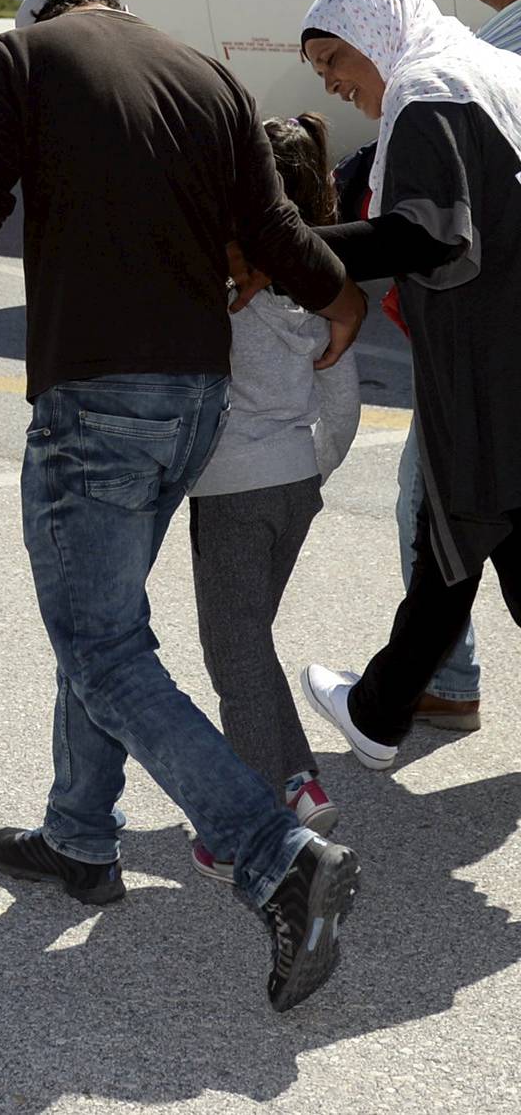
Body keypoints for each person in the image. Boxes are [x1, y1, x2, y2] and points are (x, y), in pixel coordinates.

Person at [0, 0, 368, 1014]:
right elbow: (276, 228)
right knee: (102, 621)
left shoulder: (24, 58)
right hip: (195, 397)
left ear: (47, 15)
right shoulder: (208, 77)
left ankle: (276, 852)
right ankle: (79, 834)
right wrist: (341, 294)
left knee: (100, 642)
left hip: (98, 393)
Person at [292, 0, 521, 779]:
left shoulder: (429, 91)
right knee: (466, 536)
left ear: (376, 29)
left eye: (334, 58)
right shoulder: (492, 73)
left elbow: (429, 234)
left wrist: (291, 249)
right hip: (503, 363)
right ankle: (382, 707)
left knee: (458, 528)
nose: (331, 82)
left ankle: (380, 710)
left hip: (488, 370)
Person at [185, 112, 359, 882]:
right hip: (293, 484)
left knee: (233, 649)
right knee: (248, 637)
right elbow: (344, 409)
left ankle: (269, 800)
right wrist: (310, 472)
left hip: (231, 487)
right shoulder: (318, 295)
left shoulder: (231, 294)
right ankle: (291, 779)